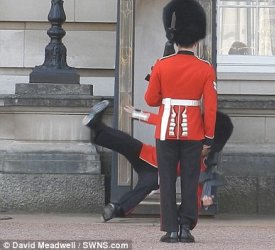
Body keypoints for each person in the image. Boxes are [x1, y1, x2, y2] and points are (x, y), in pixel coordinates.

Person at [82, 101, 231, 223]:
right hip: (147, 154)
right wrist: (137, 113)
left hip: (158, 173)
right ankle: (96, 125)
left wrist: (202, 202)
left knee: (144, 187)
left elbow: (197, 188)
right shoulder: (186, 135)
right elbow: (164, 121)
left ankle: (117, 209)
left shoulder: (202, 165)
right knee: (126, 142)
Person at [145, 0, 217, 243]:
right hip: (194, 133)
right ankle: (186, 227)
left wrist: (155, 75)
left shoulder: (162, 65)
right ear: (196, 38)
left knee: (166, 180)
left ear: (173, 38)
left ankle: (171, 229)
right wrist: (209, 135)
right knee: (189, 180)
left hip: (165, 131)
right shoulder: (205, 68)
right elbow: (211, 105)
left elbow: (151, 100)